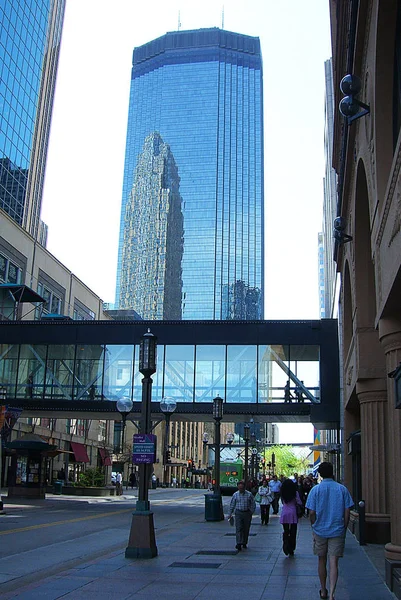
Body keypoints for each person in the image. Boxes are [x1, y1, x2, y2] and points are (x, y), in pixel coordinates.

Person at [305, 462, 354, 600]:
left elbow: (311, 512)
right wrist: (343, 527)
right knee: (334, 562)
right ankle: (332, 593)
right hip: (337, 530)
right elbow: (347, 510)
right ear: (332, 472)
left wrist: (314, 525)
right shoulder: (342, 489)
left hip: (320, 530)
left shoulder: (315, 490)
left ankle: (323, 589)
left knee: (321, 560)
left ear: (320, 473)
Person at [227, 480, 256, 551]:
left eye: (242, 488)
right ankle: (238, 543)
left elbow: (253, 504)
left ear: (244, 488)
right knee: (239, 528)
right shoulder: (235, 495)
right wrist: (230, 513)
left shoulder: (249, 494)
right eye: (239, 488)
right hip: (238, 513)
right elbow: (232, 504)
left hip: (247, 513)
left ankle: (244, 542)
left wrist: (251, 512)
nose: (241, 490)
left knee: (246, 528)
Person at [280, 478, 303, 556]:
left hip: (285, 512)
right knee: (293, 531)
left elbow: (283, 502)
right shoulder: (295, 493)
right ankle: (291, 548)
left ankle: (285, 542)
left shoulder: (283, 493)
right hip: (293, 512)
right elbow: (299, 502)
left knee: (286, 530)